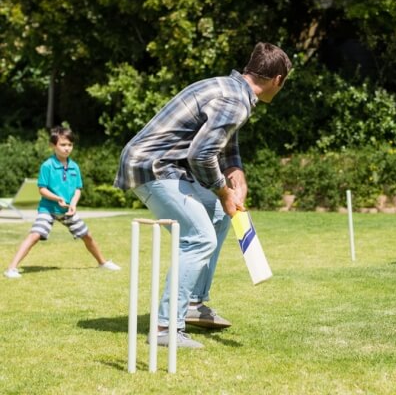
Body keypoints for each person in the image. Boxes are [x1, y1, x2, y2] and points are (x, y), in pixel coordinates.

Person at [114, 42, 292, 348]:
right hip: (152, 167)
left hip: (161, 165)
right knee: (199, 238)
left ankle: (194, 303)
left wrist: (235, 169)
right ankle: (164, 328)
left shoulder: (232, 90)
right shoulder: (236, 99)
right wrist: (223, 190)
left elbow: (224, 141)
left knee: (222, 214)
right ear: (277, 79)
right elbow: (201, 154)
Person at [3, 126, 121, 279]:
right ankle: (11, 269)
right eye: (63, 145)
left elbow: (78, 189)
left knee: (87, 235)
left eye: (70, 145)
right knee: (35, 235)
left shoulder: (74, 167)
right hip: (48, 208)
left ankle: (102, 263)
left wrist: (73, 204)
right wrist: (57, 198)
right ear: (53, 146)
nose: (67, 148)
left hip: (67, 211)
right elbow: (42, 189)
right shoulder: (47, 166)